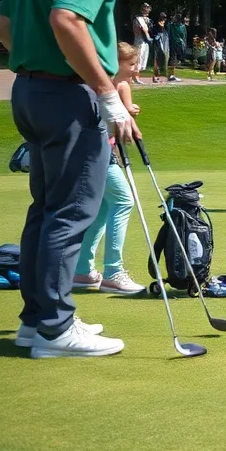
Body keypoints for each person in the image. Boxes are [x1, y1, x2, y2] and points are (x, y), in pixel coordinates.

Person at [0, 0, 152, 357]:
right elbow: (67, 20)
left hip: (30, 91)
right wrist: (106, 92)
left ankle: (36, 320)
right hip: (68, 95)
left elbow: (2, 27)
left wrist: (39, 59)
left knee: (46, 210)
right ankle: (55, 329)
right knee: (71, 211)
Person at [73, 42, 147, 295]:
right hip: (95, 153)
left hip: (100, 152)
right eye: (131, 64)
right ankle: (113, 272)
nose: (136, 69)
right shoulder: (99, 88)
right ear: (115, 64)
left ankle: (82, 270)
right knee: (124, 200)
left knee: (103, 208)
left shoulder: (115, 87)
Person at [131, 3, 151, 84]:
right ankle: (135, 78)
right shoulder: (138, 19)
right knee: (138, 59)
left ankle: (136, 77)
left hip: (144, 40)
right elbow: (139, 30)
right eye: (145, 8)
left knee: (142, 58)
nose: (147, 10)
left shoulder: (147, 19)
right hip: (139, 40)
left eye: (148, 8)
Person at [150, 11, 173, 83]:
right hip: (157, 43)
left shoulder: (167, 25)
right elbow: (153, 33)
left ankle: (167, 75)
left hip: (165, 43)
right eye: (162, 17)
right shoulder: (155, 25)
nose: (164, 19)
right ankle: (155, 76)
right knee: (156, 59)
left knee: (166, 58)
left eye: (165, 17)